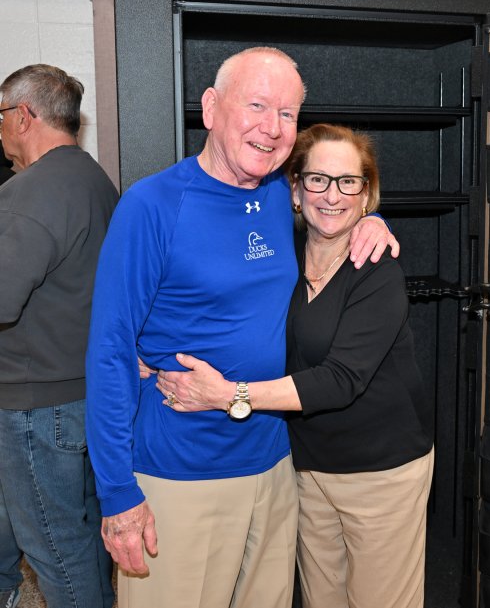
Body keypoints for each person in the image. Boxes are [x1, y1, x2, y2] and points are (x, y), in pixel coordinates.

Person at [85, 48, 398, 608]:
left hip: (276, 467)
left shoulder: (284, 194)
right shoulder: (152, 206)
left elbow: (337, 197)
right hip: (179, 474)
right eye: (256, 105)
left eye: (286, 113)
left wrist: (372, 217)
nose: (271, 128)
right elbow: (109, 351)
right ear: (210, 108)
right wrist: (116, 494)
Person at [156, 123, 434, 608]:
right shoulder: (278, 254)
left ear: (366, 192)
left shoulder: (377, 268)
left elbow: (341, 381)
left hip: (382, 471)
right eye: (318, 179)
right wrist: (151, 354)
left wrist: (227, 395)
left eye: (349, 181)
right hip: (306, 467)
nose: (333, 195)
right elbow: (222, 307)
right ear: (295, 188)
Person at [0, 65, 117, 608]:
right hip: (82, 392)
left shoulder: (29, 192)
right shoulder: (95, 179)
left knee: (54, 549)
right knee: (82, 531)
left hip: (33, 403)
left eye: (0, 116)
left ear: (24, 117)